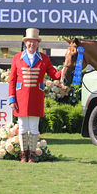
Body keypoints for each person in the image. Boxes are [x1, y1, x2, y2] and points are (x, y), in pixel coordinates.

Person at [8, 28, 61, 163]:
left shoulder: (44, 59)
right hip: (20, 98)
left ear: (38, 44)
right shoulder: (16, 58)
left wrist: (66, 69)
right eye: (29, 42)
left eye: (34, 42)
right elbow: (12, 80)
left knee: (33, 128)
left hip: (36, 98)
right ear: (25, 43)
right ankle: (23, 155)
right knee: (22, 127)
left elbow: (54, 74)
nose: (31, 44)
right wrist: (11, 98)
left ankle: (32, 155)